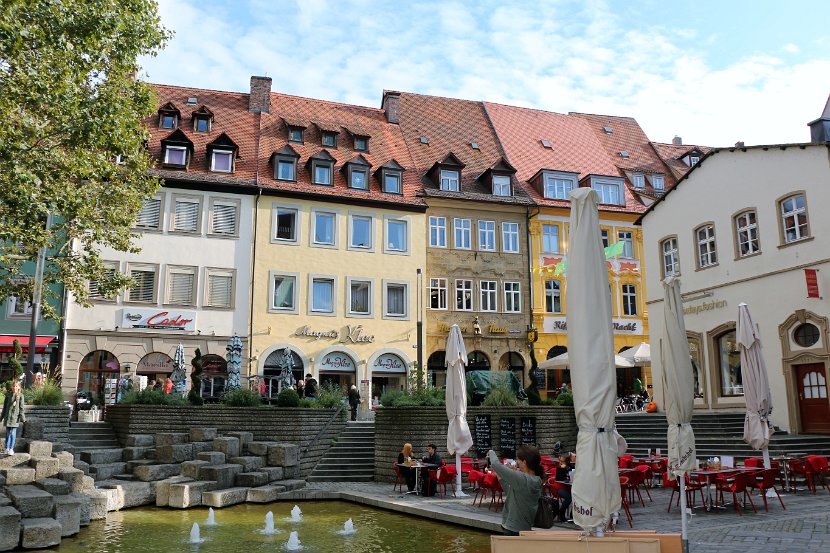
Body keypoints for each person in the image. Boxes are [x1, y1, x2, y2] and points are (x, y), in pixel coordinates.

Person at [487, 445, 543, 535]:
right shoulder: (537, 479)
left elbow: (495, 464)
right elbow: (510, 491)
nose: (517, 462)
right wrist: (500, 476)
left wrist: (491, 452)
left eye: (518, 460)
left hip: (513, 529)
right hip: (524, 527)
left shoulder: (522, 479)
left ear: (524, 462)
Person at [1, 381, 26, 455]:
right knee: (8, 433)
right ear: (12, 387)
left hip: (15, 418)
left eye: (16, 386)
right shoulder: (8, 395)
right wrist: (1, 417)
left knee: (13, 433)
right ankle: (6, 448)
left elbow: (21, 408)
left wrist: (23, 418)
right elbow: (4, 408)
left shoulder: (21, 396)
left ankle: (11, 448)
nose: (15, 387)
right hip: (7, 417)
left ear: (19, 387)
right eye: (13, 386)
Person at [554, 453, 574, 522]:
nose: (560, 462)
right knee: (569, 498)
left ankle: (572, 514)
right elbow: (558, 478)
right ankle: (561, 513)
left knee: (577, 496)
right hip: (559, 487)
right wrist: (563, 469)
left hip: (569, 487)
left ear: (567, 462)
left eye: (562, 461)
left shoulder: (571, 467)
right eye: (560, 460)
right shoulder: (559, 468)